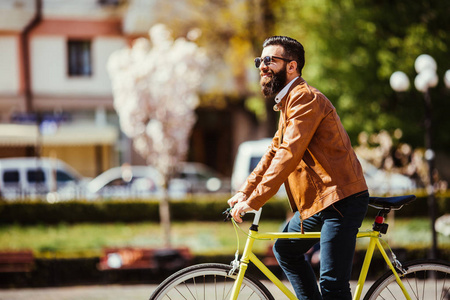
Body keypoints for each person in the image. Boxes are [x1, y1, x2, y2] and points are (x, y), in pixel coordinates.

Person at [227, 36, 369, 300]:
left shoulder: (305, 99)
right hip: (317, 203)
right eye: (260, 60)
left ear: (291, 66)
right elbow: (273, 153)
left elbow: (288, 154)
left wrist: (256, 200)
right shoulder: (287, 103)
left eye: (270, 60)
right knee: (285, 249)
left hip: (341, 199)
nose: (262, 66)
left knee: (332, 285)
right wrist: (244, 193)